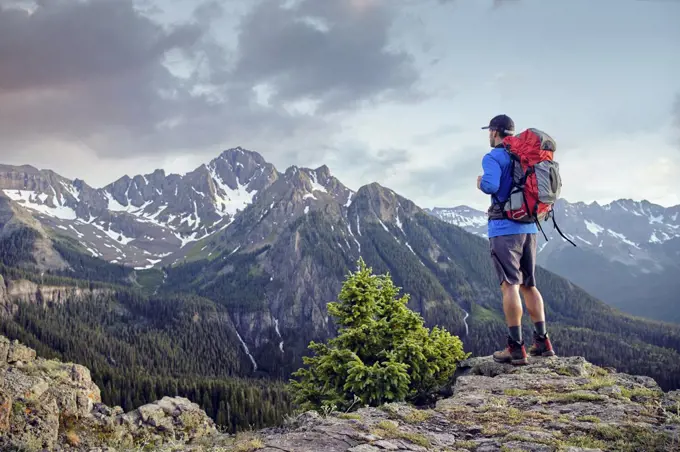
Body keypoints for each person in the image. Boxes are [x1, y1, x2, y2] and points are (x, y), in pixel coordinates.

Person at [477, 114, 556, 365]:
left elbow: (490, 185)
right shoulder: (524, 155)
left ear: (495, 131)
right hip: (529, 227)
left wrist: (480, 183)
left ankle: (516, 347)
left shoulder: (493, 157)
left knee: (509, 285)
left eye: (489, 131)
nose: (488, 135)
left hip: (504, 229)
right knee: (529, 285)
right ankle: (543, 342)